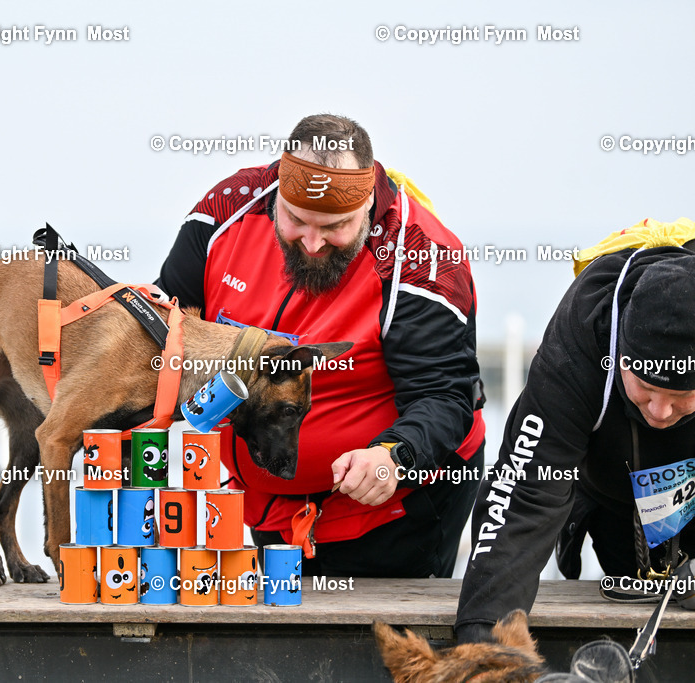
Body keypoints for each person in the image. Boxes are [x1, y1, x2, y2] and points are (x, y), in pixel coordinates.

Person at [156, 114, 486, 578]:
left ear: (368, 199)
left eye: (335, 226)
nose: (311, 243)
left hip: (393, 510)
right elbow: (163, 325)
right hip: (265, 501)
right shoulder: (226, 210)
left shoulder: (421, 260)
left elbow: (445, 396)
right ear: (277, 191)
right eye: (294, 220)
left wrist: (395, 454)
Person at [456, 222, 695, 642]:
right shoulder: (583, 334)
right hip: (613, 493)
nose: (659, 411)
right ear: (619, 354)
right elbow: (525, 492)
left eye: (681, 395)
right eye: (646, 386)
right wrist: (483, 641)